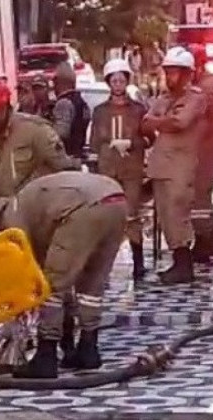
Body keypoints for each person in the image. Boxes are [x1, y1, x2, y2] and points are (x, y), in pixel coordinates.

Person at [0, 172, 127, 379]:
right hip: (115, 200)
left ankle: (47, 356)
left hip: (83, 207)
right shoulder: (31, 199)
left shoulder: (12, 214)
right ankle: (88, 348)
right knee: (92, 284)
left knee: (51, 286)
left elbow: (27, 261)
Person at [142, 46, 207, 284]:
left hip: (181, 166)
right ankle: (177, 262)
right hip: (160, 165)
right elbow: (145, 123)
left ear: (187, 73)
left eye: (175, 72)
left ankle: (184, 264)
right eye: (168, 72)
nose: (170, 77)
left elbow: (180, 122)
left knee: (178, 213)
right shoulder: (164, 99)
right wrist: (161, 121)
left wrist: (159, 121)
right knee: (166, 216)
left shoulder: (196, 98)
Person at [0, 79, 81, 218]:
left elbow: (63, 170)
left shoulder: (36, 130)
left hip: (39, 212)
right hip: (6, 214)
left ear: (2, 109)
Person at [91, 58, 153, 280]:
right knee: (106, 217)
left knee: (132, 215)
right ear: (108, 82)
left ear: (127, 81)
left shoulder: (138, 110)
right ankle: (102, 264)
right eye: (114, 80)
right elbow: (94, 142)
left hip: (131, 170)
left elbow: (150, 138)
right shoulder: (100, 111)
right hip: (108, 170)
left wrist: (132, 143)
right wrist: (108, 146)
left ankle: (138, 263)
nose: (118, 84)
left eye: (121, 80)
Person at [192, 72, 213, 264]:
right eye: (205, 92)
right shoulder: (196, 117)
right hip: (201, 165)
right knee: (200, 203)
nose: (209, 97)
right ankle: (203, 241)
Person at [53, 62, 91, 162]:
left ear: (59, 82)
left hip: (66, 157)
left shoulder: (63, 103)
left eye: (55, 82)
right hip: (78, 156)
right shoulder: (82, 103)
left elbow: (61, 134)